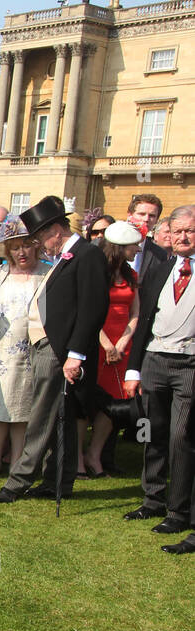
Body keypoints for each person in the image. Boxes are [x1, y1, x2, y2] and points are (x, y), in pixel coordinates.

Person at [0, 196, 109, 504]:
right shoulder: (67, 258)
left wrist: (76, 354)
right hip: (48, 346)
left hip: (60, 351)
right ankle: (58, 478)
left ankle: (18, 481)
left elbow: (93, 309)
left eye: (42, 237)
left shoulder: (87, 256)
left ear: (56, 230)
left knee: (41, 416)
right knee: (63, 418)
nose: (41, 245)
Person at [121, 204, 195, 551]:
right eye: (177, 231)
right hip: (153, 360)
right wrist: (134, 368)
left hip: (190, 365)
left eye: (190, 231)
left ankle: (179, 511)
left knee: (182, 437)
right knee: (152, 431)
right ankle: (153, 499)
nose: (182, 237)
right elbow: (143, 321)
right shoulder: (160, 269)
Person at [0, 216, 47, 479]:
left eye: (27, 245)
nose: (21, 251)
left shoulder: (46, 273)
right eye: (15, 247)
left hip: (31, 351)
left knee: (22, 410)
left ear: (36, 246)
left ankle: (17, 462)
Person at [81, 221, 142, 478]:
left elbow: (135, 311)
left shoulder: (131, 275)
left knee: (115, 404)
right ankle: (78, 459)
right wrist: (107, 345)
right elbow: (89, 312)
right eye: (134, 245)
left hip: (122, 346)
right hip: (98, 343)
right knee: (88, 402)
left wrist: (122, 344)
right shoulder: (98, 273)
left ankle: (94, 454)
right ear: (120, 247)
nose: (138, 249)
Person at [127, 194, 171, 285]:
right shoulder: (105, 245)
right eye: (141, 214)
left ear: (156, 220)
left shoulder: (159, 254)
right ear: (130, 215)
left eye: (152, 216)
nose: (146, 219)